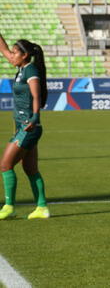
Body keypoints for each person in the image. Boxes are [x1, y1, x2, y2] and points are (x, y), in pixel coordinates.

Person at [0, 34, 49, 220]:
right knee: (30, 169)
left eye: (14, 53)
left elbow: (36, 97)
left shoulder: (30, 71)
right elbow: (3, 50)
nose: (11, 56)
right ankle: (42, 208)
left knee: (5, 165)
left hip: (29, 127)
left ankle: (8, 206)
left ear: (25, 55)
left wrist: (35, 117)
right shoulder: (21, 68)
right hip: (22, 125)